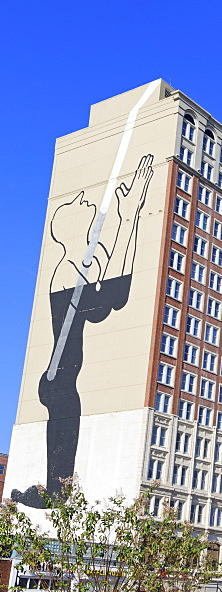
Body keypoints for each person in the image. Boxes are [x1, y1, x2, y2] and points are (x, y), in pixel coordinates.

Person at [12, 155, 154, 508]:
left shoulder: (84, 264)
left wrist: (129, 217)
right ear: (72, 225)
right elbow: (113, 297)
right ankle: (53, 494)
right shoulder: (66, 269)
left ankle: (53, 493)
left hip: (62, 378)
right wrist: (128, 217)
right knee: (64, 432)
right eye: (78, 203)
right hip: (58, 379)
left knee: (64, 432)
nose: (84, 199)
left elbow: (115, 294)